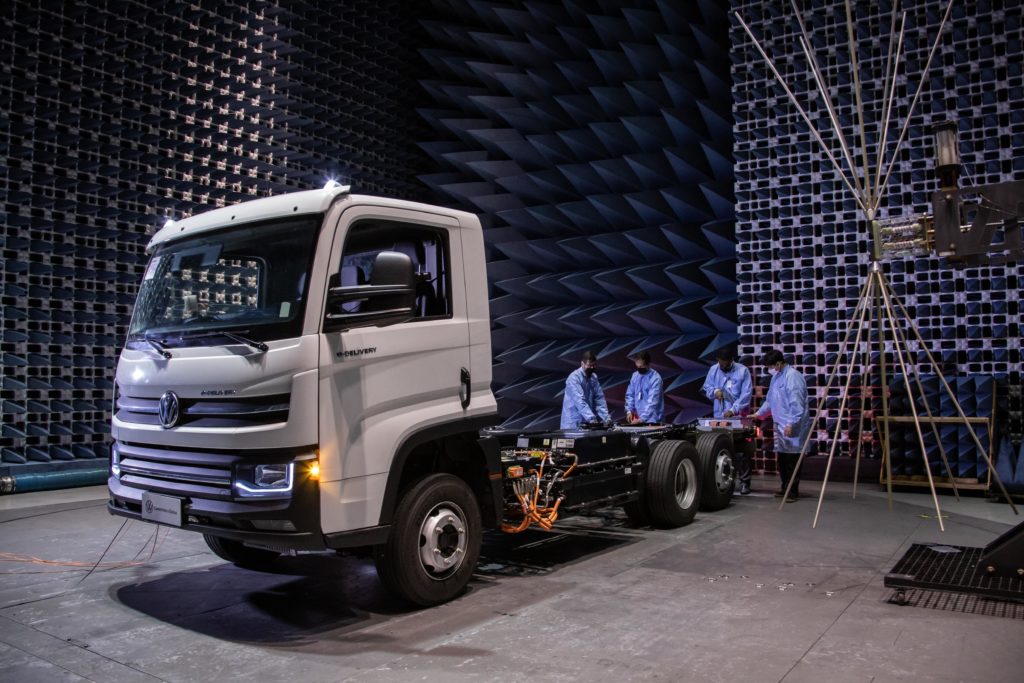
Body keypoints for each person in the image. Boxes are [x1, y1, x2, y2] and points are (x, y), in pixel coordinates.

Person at [752, 349, 811, 502]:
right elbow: (770, 401)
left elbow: (797, 403)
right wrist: (758, 414)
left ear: (778, 363)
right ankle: (785, 488)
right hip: (780, 426)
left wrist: (791, 423)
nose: (769, 369)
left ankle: (792, 492)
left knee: (792, 461)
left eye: (770, 366)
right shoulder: (776, 377)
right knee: (783, 460)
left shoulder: (793, 377)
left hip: (793, 426)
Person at [701, 347, 753, 493]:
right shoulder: (713, 370)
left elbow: (746, 395)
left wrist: (733, 410)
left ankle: (745, 482)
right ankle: (727, 482)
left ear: (731, 360)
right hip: (720, 417)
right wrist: (714, 391)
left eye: (726, 364)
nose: (723, 366)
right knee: (723, 450)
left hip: (738, 417)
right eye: (721, 363)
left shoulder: (743, 371)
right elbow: (707, 387)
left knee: (742, 452)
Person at [560, 350, 610, 430]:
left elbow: (599, 398)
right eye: (589, 365)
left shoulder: (593, 378)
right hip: (573, 423)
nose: (592, 368)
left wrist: (607, 418)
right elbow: (580, 401)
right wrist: (592, 419)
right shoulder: (574, 378)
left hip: (586, 422)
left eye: (594, 365)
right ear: (582, 364)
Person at [624, 351, 664, 424]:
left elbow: (653, 402)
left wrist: (642, 419)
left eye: (641, 366)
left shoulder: (655, 379)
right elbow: (630, 394)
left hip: (653, 421)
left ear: (648, 364)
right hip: (639, 420)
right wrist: (629, 411)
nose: (639, 369)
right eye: (637, 367)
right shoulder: (635, 376)